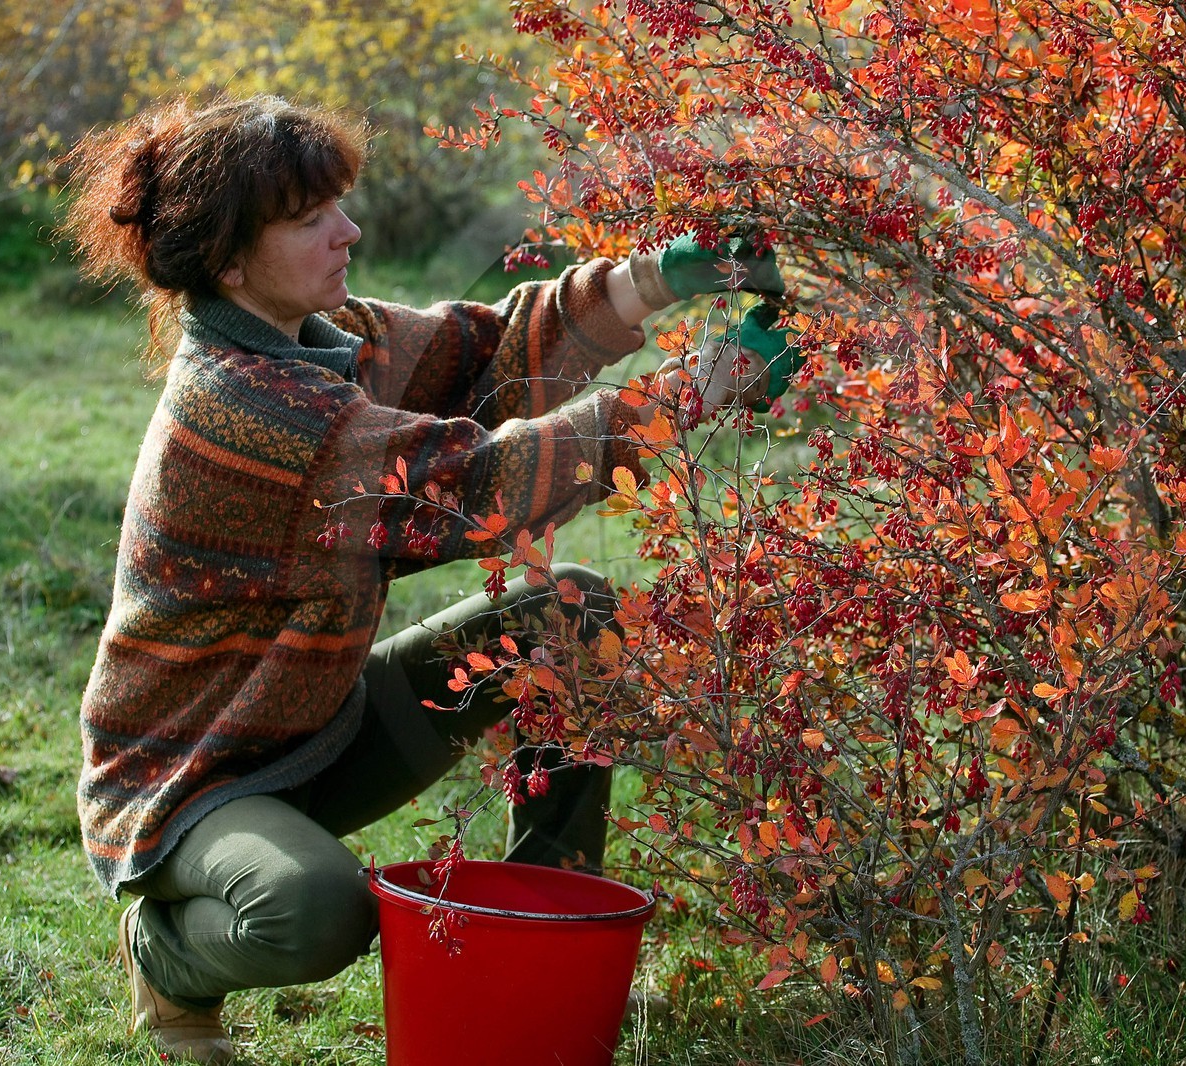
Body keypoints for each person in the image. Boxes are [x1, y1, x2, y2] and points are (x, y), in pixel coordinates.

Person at [61, 93, 799, 1065]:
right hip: (190, 780)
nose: (348, 231)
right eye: (310, 218)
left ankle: (547, 925)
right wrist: (698, 390)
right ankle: (165, 954)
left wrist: (652, 278)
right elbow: (480, 487)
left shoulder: (320, 335)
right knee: (315, 910)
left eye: (339, 205)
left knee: (568, 615)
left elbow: (486, 354)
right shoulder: (246, 406)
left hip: (310, 729)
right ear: (230, 262)